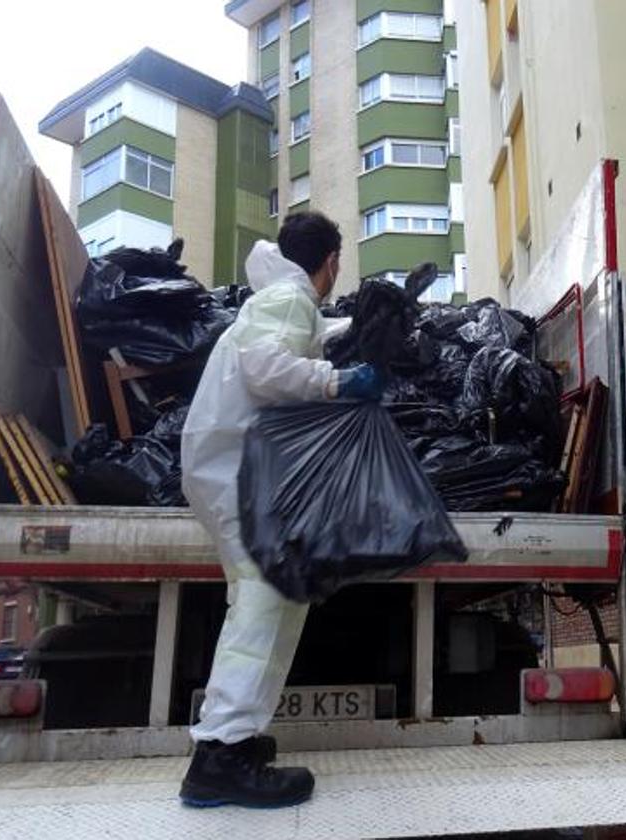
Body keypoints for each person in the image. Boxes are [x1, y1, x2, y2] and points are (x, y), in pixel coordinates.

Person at [178, 211, 382, 809]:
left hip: (238, 468)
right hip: (242, 471)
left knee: (272, 598)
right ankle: (219, 754)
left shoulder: (281, 298)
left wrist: (345, 336)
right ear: (330, 262)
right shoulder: (290, 297)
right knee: (264, 606)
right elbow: (265, 369)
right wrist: (339, 381)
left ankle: (236, 742)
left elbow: (296, 337)